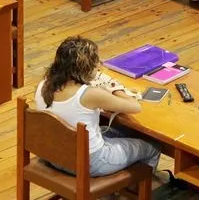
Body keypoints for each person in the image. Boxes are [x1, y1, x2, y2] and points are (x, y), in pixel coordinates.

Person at [34, 36, 160, 177]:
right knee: (152, 147)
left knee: (120, 131)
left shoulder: (42, 85)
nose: (99, 66)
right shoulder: (91, 95)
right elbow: (135, 107)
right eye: (96, 64)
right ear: (86, 68)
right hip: (91, 161)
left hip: (54, 155)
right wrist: (116, 88)